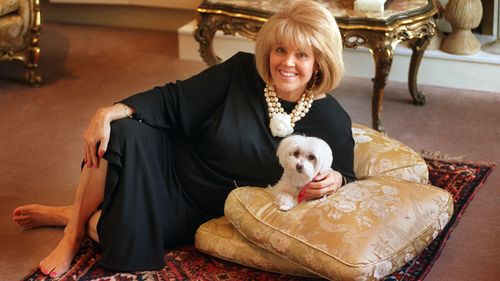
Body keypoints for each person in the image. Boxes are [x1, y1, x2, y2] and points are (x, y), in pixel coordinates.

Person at [12, 0, 356, 278]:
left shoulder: (332, 119)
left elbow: (347, 174)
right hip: (174, 161)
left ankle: (72, 212)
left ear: (320, 62)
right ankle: (71, 235)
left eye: (302, 55)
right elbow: (175, 97)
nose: (287, 63)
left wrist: (336, 178)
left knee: (109, 232)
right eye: (280, 50)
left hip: (201, 206)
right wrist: (107, 111)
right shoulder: (240, 70)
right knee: (119, 132)